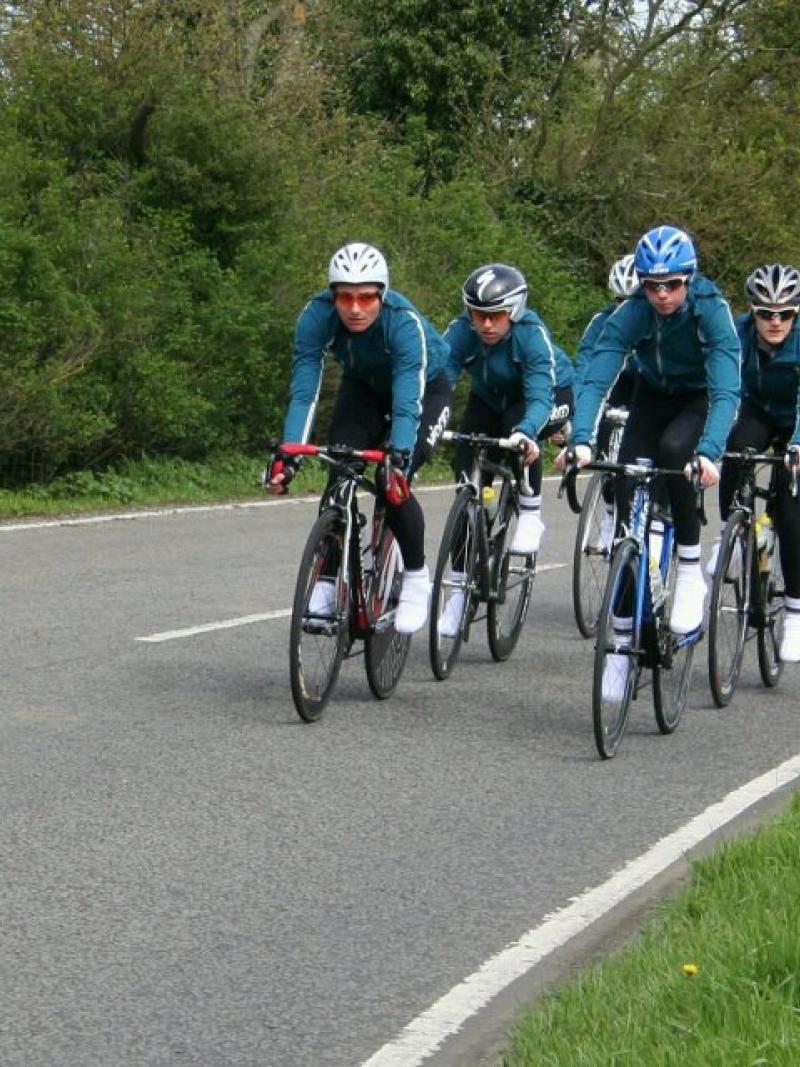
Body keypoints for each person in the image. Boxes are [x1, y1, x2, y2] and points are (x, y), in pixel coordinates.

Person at [556, 224, 741, 693]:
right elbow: (597, 375)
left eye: (672, 284)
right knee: (626, 496)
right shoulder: (634, 312)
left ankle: (688, 565)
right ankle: (619, 643)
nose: (662, 295)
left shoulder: (710, 310)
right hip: (653, 400)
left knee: (677, 452)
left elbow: (725, 390)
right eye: (652, 284)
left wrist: (711, 453)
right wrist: (582, 441)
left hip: (697, 400)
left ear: (690, 279)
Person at [267, 241, 452, 634]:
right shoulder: (315, 317)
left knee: (392, 482)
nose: (354, 308)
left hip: (423, 390)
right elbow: (304, 392)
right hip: (363, 388)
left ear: (381, 296)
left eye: (366, 297)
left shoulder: (402, 323)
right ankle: (329, 581)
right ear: (332, 295)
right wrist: (290, 454)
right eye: (345, 297)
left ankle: (417, 577)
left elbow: (406, 404)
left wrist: (399, 455)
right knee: (340, 472)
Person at [437, 264, 560, 634]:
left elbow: (540, 397)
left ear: (515, 311)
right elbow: (440, 379)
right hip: (487, 398)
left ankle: (529, 511)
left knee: (519, 437)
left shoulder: (531, 335)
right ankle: (459, 590)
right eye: (478, 315)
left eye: (495, 316)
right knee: (466, 465)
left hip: (532, 399)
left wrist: (526, 433)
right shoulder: (461, 332)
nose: (486, 325)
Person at [708, 264, 800, 661]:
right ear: (752, 311)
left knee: (792, 507)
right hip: (760, 412)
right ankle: (737, 530)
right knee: (736, 450)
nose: (775, 321)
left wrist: (797, 445)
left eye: (785, 313)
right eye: (765, 313)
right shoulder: (738, 333)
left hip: (796, 419)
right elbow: (721, 383)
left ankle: (796, 610)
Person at [574, 253, 641, 550]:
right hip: (614, 383)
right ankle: (610, 513)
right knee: (602, 438)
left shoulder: (655, 321)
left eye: (631, 299)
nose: (623, 308)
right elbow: (586, 364)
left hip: (644, 385)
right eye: (618, 300)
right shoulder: (602, 322)